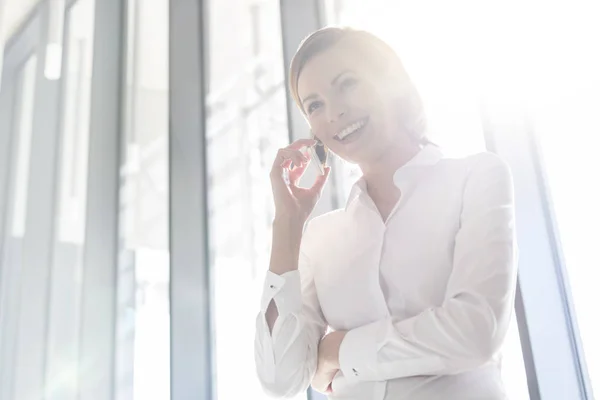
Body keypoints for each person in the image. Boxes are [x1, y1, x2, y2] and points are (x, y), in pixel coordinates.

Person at [254, 26, 517, 400]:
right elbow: (279, 379)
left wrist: (337, 350)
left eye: (347, 84)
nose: (335, 111)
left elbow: (476, 331)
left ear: (390, 79)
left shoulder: (476, 178)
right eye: (315, 105)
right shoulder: (319, 239)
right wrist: (288, 224)